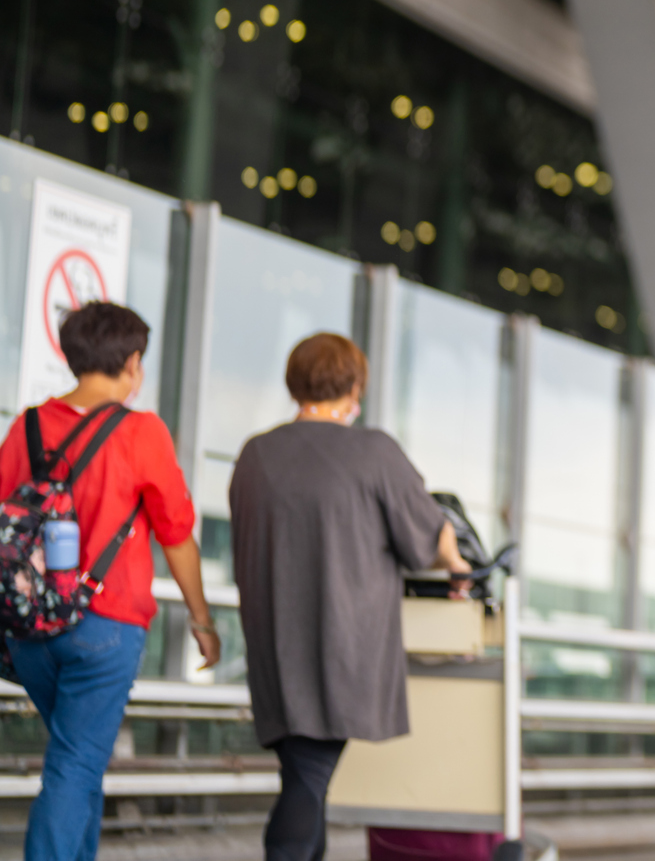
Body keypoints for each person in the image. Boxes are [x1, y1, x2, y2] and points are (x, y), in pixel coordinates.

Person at [230, 333, 473, 861]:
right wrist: (456, 563)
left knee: (304, 771)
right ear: (354, 385)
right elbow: (427, 540)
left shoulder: (255, 455)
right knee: (309, 775)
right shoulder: (373, 451)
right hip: (343, 644)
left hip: (273, 640)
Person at [0, 301, 220, 861]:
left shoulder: (25, 427)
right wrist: (201, 619)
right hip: (105, 627)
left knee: (81, 760)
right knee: (75, 764)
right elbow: (177, 535)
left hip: (27, 633)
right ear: (132, 362)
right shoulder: (141, 432)